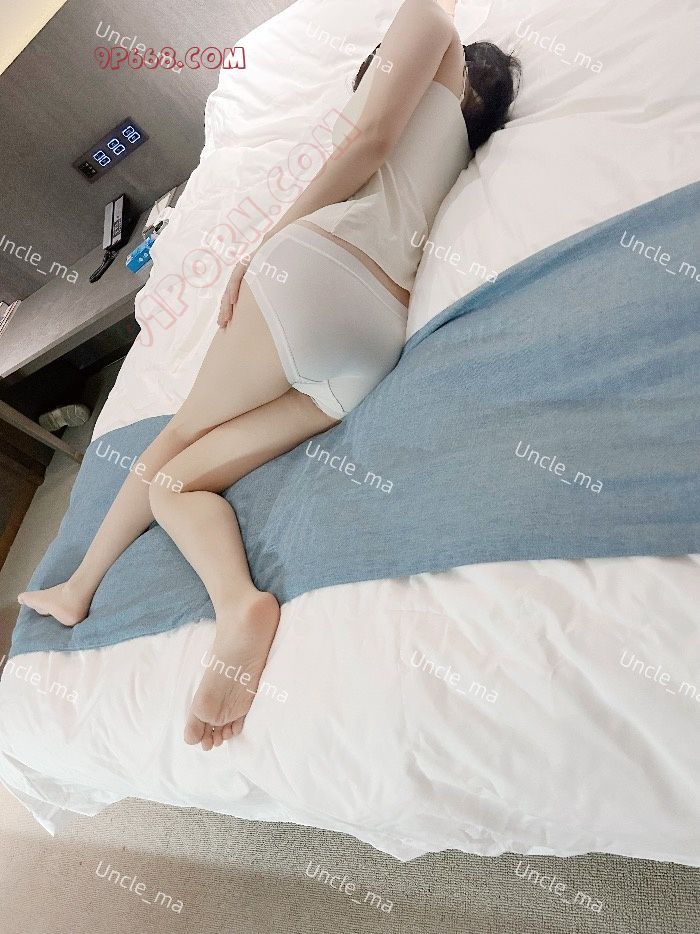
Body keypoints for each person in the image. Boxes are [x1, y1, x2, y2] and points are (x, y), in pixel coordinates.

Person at [18, 0, 520, 751]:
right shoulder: (453, 147)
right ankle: (239, 606)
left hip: (318, 272)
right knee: (175, 483)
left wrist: (262, 246)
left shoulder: (430, 18)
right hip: (369, 351)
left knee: (182, 428)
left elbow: (368, 139)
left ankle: (79, 585)